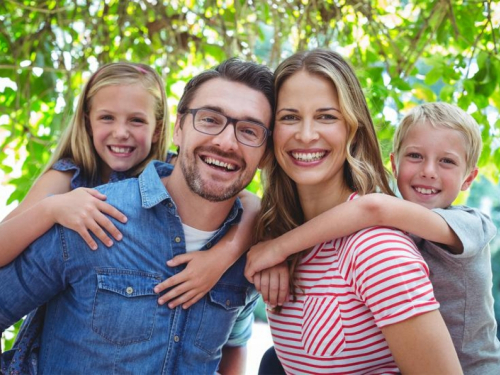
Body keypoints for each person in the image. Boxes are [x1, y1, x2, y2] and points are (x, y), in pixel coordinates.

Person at [0, 58, 277, 374]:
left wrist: (229, 252)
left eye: (249, 130)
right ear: (178, 129)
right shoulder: (83, 210)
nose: (225, 142)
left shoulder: (250, 251)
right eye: (210, 120)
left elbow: (236, 340)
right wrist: (51, 209)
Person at [246, 49, 462, 374]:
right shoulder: (278, 238)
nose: (306, 135)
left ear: (353, 128)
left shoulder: (377, 251)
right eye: (289, 117)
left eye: (326, 116)